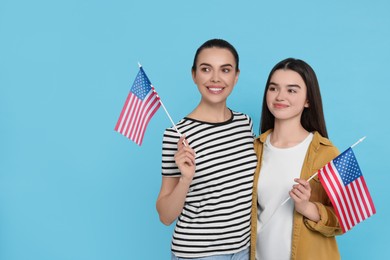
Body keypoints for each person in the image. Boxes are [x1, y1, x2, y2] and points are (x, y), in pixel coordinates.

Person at [156, 39, 257, 260]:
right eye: (206, 69)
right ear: (194, 75)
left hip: (245, 251)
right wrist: (185, 179)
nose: (215, 78)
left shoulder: (245, 123)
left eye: (225, 70)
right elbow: (165, 216)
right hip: (199, 254)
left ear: (236, 76)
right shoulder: (177, 134)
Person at [249, 58, 343, 260]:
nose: (280, 96)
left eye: (292, 90)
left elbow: (344, 219)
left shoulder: (328, 152)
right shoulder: (253, 149)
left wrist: (307, 208)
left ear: (308, 99)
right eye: (273, 88)